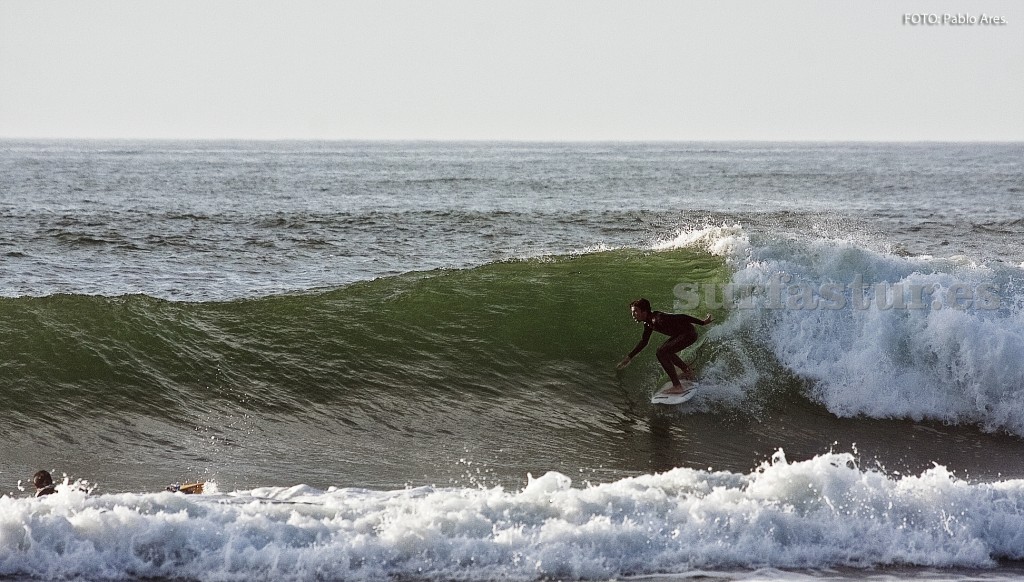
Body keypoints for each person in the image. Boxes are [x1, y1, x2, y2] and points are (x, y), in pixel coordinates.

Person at [617, 298, 713, 394]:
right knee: (665, 351)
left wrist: (703, 322)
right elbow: (644, 341)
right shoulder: (648, 323)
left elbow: (682, 317)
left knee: (661, 352)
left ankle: (677, 386)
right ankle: (687, 371)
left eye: (635, 312)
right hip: (681, 334)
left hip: (689, 333)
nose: (633, 315)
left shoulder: (657, 319)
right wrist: (629, 357)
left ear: (644, 311)